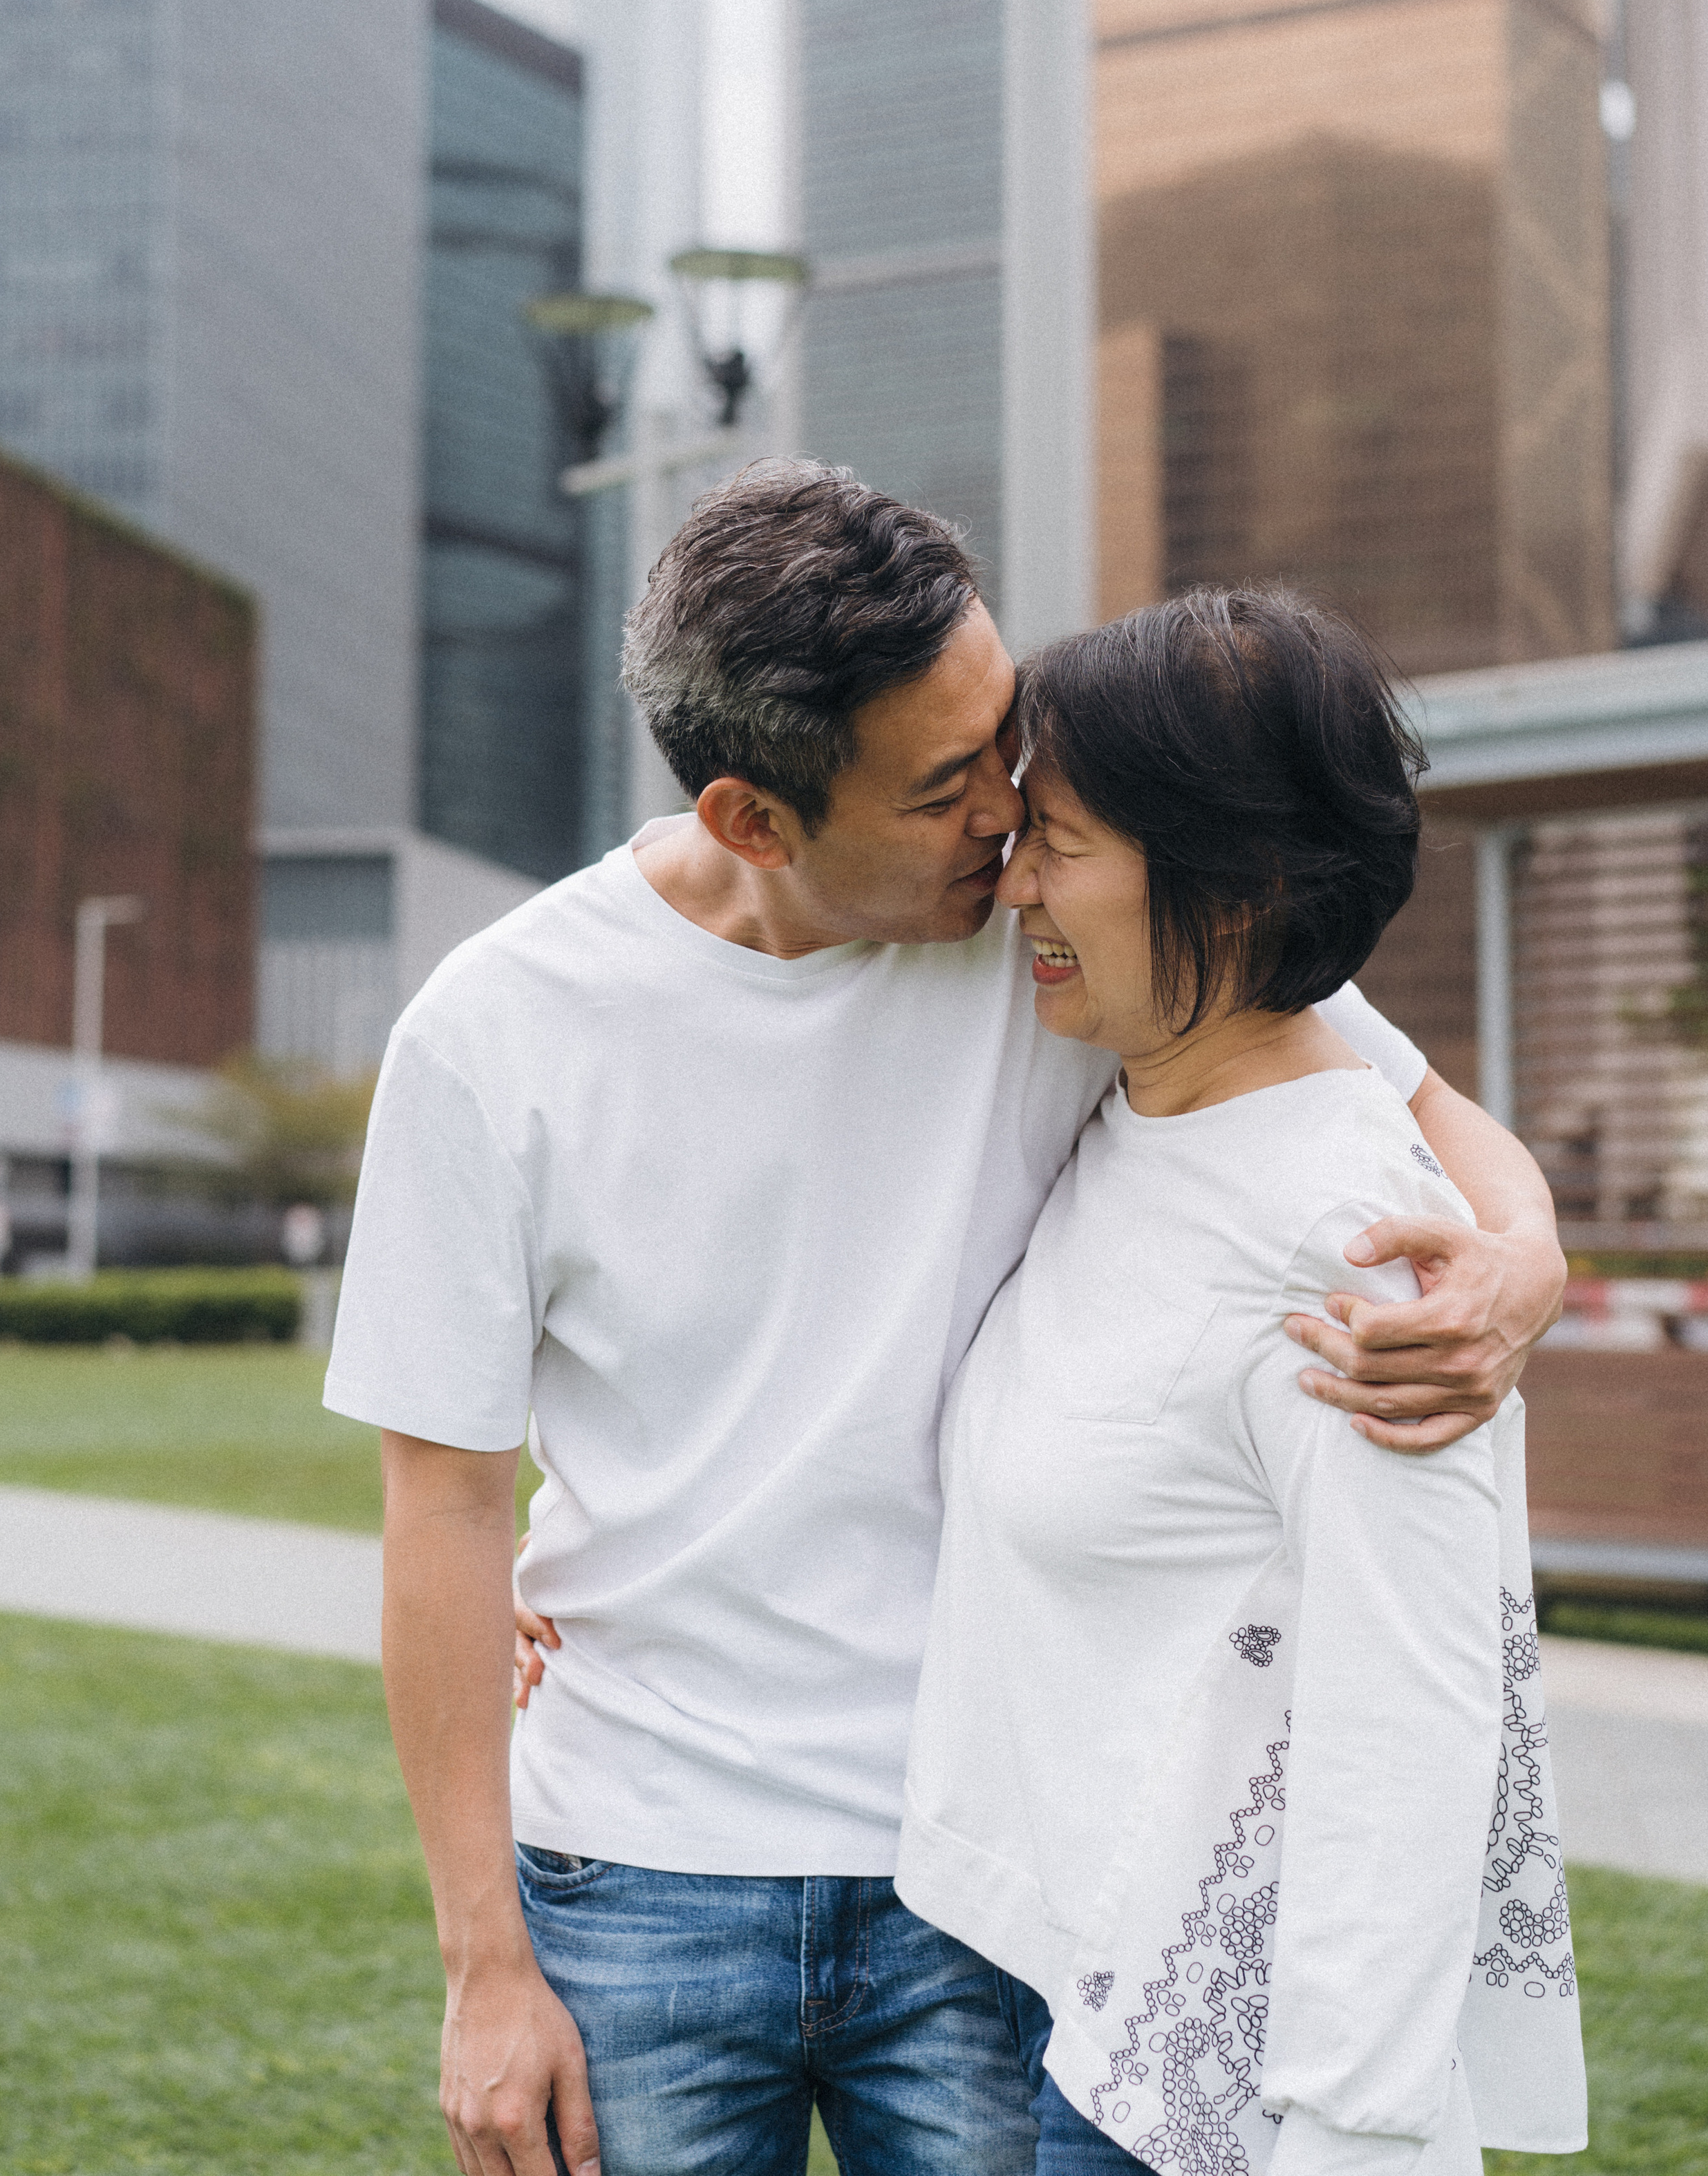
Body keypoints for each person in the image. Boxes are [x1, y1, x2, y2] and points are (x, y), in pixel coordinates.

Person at [323, 462, 1566, 2176]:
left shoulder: (1079, 918)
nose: (1006, 807)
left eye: (1004, 738)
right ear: (756, 818)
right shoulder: (493, 1034)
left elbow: (1383, 1090)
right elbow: (441, 1504)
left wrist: (1525, 1255)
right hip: (640, 1871)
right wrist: (481, 1969)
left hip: (986, 1875)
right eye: (944, 786)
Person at [897, 588, 1586, 2175]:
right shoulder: (1140, 1095)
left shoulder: (1345, 1238)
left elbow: (1409, 1719)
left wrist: (1344, 2126)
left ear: (1237, 881)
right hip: (1022, 1976)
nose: (1011, 888)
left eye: (1055, 840)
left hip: (1182, 2094)